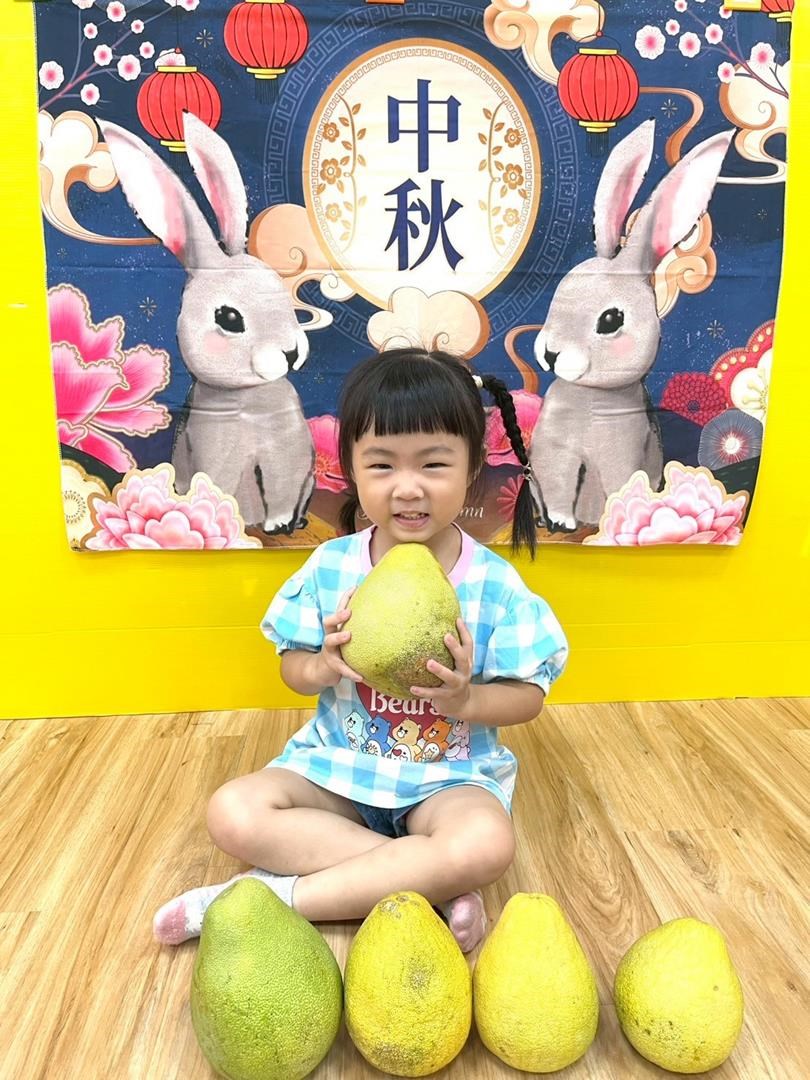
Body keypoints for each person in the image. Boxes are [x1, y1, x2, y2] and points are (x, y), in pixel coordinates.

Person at [153, 347, 568, 953]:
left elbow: (528, 697)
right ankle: (430, 883)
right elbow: (291, 668)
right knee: (232, 811)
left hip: (445, 779)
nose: (408, 488)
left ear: (473, 466)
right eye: (381, 465)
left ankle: (268, 898)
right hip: (340, 768)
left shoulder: (495, 585)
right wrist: (322, 665)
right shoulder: (331, 566)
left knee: (486, 844)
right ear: (350, 468)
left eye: (434, 464)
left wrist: (467, 700)